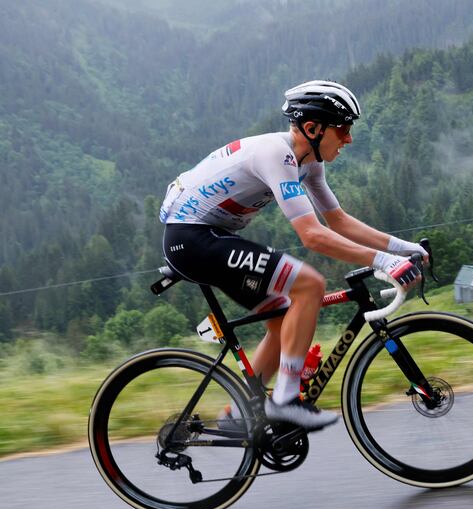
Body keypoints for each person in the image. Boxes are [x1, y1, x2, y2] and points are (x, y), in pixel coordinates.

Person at [158, 80, 425, 430]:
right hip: (191, 239)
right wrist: (384, 263)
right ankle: (284, 400)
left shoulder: (309, 161)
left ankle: (240, 413)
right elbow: (312, 235)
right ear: (313, 129)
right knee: (309, 286)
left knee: (283, 320)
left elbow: (338, 221)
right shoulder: (276, 154)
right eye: (343, 129)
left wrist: (404, 249)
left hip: (208, 237)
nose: (349, 138)